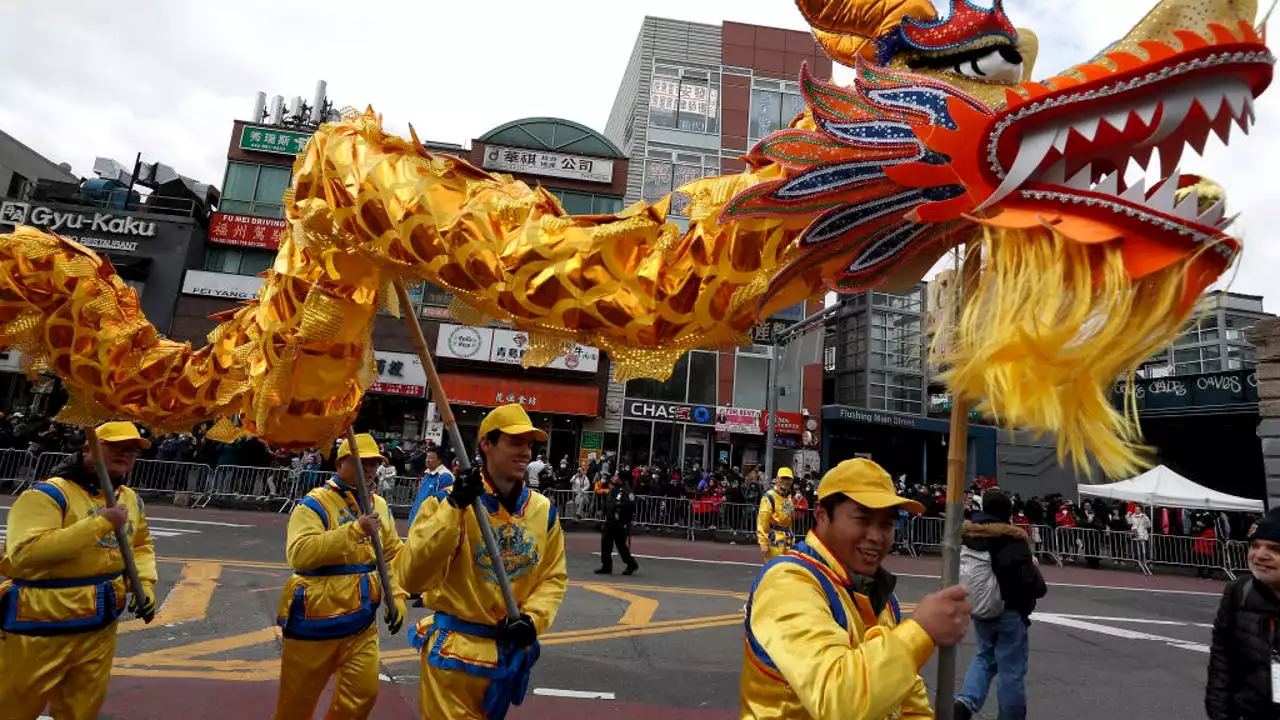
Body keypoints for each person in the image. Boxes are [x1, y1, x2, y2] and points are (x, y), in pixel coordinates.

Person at [741, 458, 972, 719]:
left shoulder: (882, 597)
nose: (876, 536)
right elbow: (837, 701)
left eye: (886, 524)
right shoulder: (786, 582)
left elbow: (908, 699)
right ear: (822, 515)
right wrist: (921, 632)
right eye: (862, 519)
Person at [396, 404, 567, 719]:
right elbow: (412, 577)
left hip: (507, 659)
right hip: (454, 659)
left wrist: (532, 620)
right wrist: (453, 507)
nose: (526, 453)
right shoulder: (445, 502)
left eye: (530, 444)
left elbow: (553, 577)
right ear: (487, 443)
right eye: (515, 442)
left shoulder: (543, 511)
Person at [0, 421, 158, 720]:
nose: (125, 454)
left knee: (82, 710)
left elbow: (140, 546)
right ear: (89, 448)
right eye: (116, 447)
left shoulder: (130, 499)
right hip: (40, 621)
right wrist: (100, 523)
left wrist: (146, 585)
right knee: (13, 706)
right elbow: (25, 554)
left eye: (132, 450)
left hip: (99, 623)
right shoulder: (46, 495)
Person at [272, 433, 407, 720]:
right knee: (296, 705)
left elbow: (393, 554)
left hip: (361, 621)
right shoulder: (314, 503)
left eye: (374, 463)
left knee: (363, 695)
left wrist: (397, 596)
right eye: (363, 462)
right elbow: (300, 554)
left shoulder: (379, 505)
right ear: (341, 462)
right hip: (315, 620)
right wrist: (355, 530)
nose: (370, 469)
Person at [953, 490, 1047, 720]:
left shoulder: (969, 534)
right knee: (1011, 672)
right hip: (1010, 610)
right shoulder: (1012, 539)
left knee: (984, 656)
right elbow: (1032, 584)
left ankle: (965, 701)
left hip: (981, 607)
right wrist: (1033, 567)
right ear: (1008, 511)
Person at [1205, 506, 1280, 720]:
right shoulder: (1238, 592)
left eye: (1275, 549)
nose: (1260, 555)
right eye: (1255, 545)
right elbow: (1222, 660)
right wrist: (1219, 714)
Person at [595, 473, 639, 576]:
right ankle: (606, 566)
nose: (614, 478)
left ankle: (631, 564)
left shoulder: (626, 490)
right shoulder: (613, 488)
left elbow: (631, 505)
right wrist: (604, 510)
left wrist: (619, 510)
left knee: (621, 546)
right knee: (605, 543)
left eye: (616, 476)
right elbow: (608, 501)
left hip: (620, 523)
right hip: (609, 521)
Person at [757, 466, 796, 561]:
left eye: (789, 479)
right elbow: (762, 522)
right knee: (774, 572)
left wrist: (792, 536)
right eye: (783, 478)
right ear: (777, 479)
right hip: (774, 541)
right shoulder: (769, 497)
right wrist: (764, 544)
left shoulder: (788, 497)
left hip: (788, 542)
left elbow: (789, 519)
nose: (786, 481)